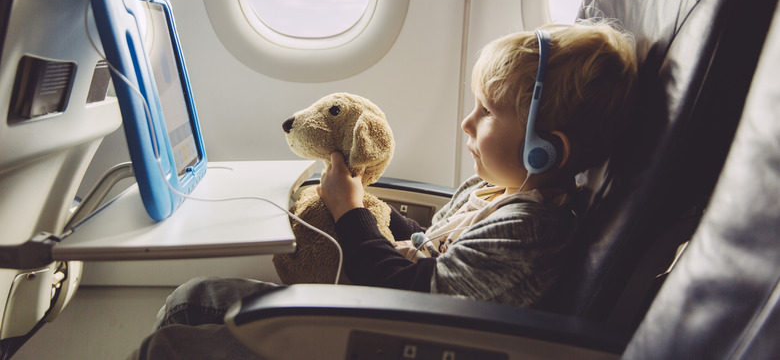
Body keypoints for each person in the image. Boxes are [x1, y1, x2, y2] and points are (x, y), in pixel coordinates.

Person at [130, 20, 637, 359]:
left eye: (487, 112)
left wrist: (351, 215)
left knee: (172, 346)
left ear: (547, 148)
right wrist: (378, 211)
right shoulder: (490, 193)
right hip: (394, 313)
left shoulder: (529, 233)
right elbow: (431, 248)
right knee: (191, 297)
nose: (467, 121)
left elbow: (410, 292)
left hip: (398, 337)